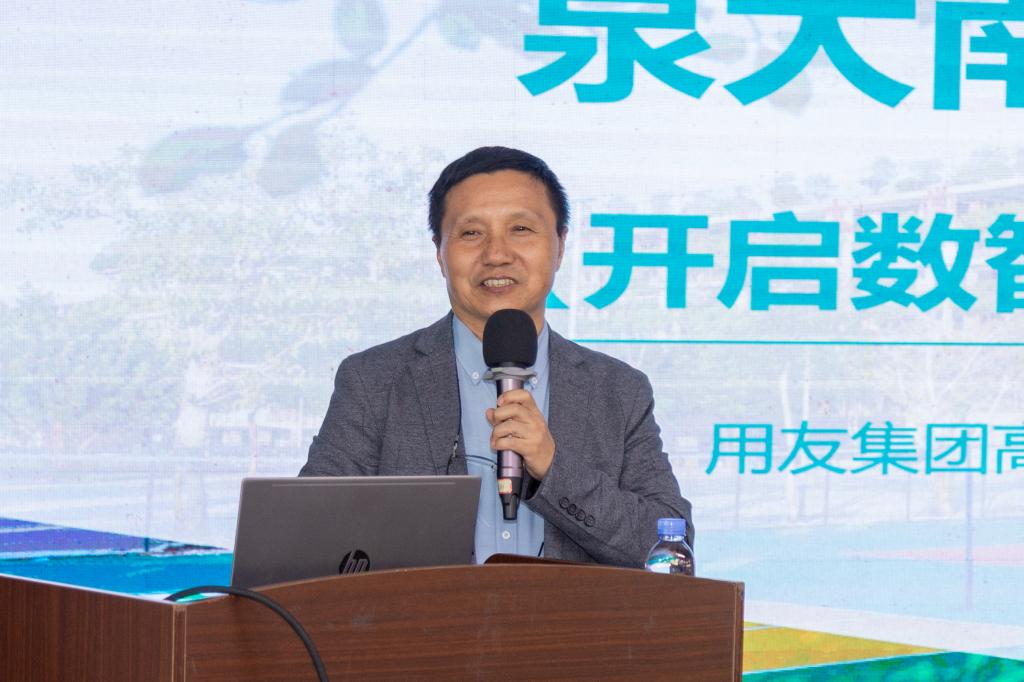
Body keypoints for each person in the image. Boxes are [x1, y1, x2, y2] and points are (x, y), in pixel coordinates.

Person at [299, 146, 691, 567]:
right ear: (439, 252)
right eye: (471, 233)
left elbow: (670, 550)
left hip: (569, 614)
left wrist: (553, 468)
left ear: (560, 246)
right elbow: (311, 536)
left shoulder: (618, 391)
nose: (497, 254)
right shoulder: (373, 381)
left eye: (521, 229)